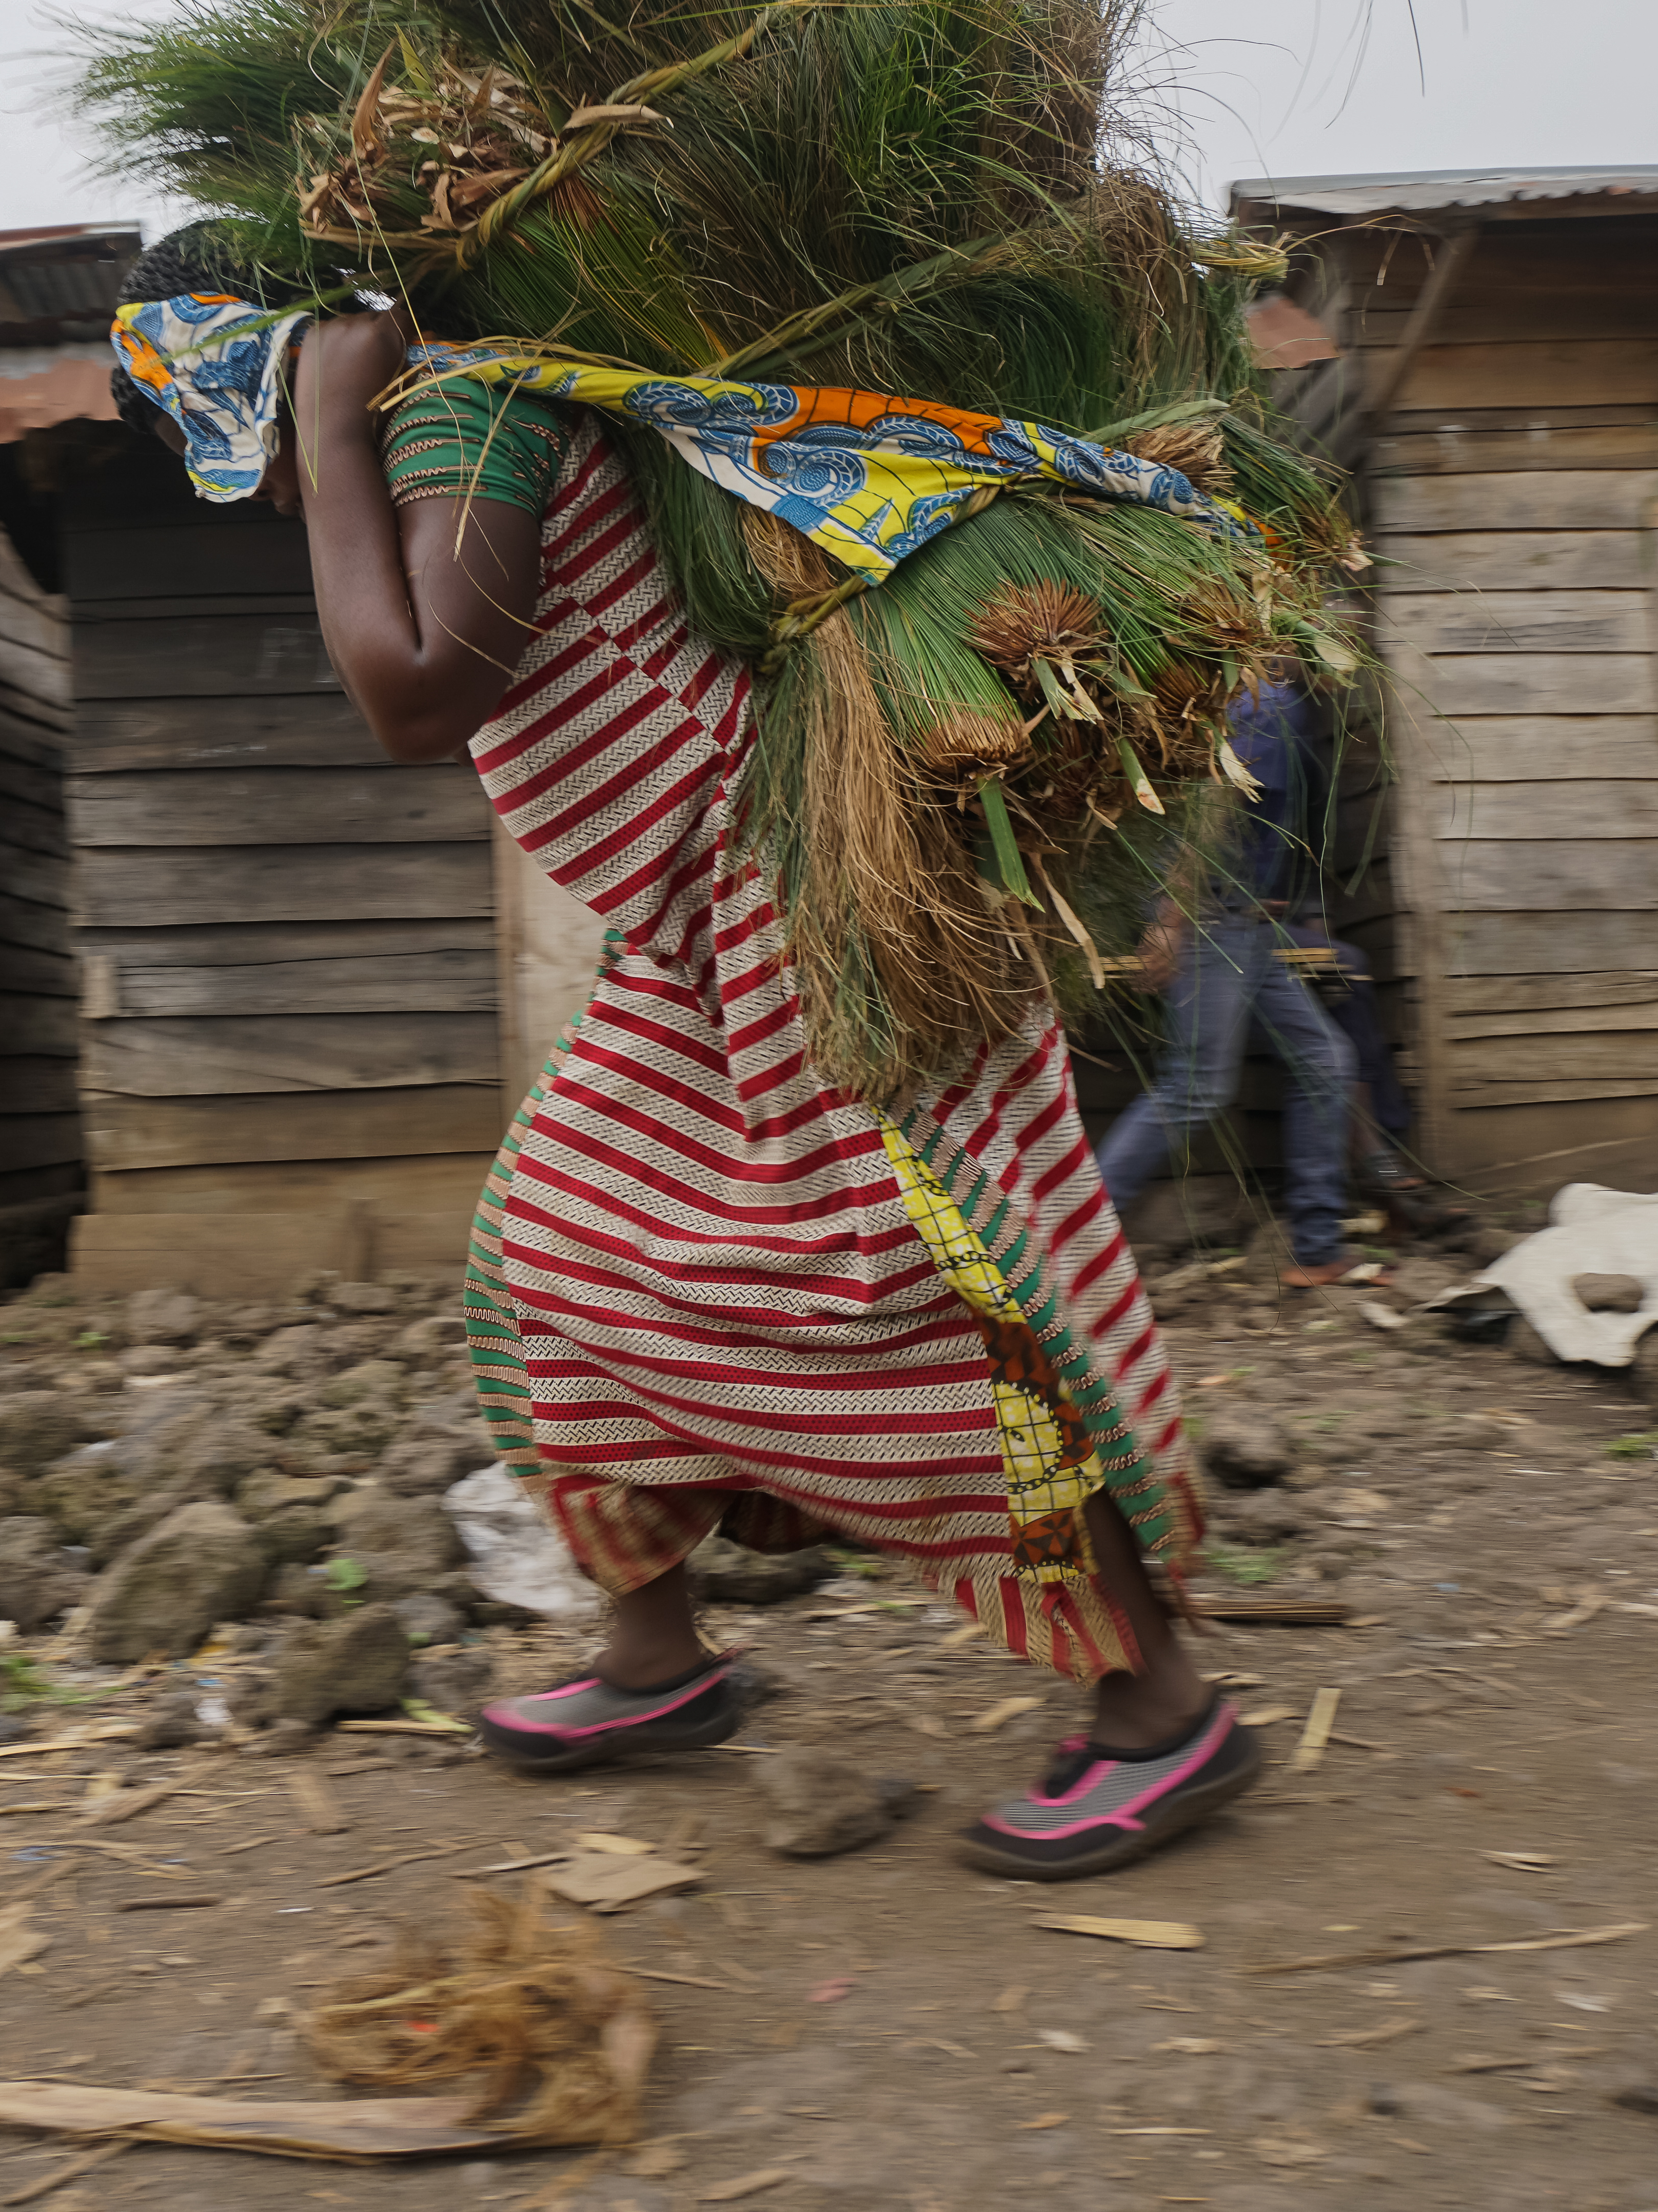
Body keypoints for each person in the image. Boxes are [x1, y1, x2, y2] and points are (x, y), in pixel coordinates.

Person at [109, 236, 1258, 1881]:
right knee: (549, 1248)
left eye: (240, 458)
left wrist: (338, 420)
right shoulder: (454, 417)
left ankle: (1160, 1704)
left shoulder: (455, 421)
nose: (269, 496)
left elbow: (418, 692)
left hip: (815, 894)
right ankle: (655, 1658)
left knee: (917, 1280)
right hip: (715, 934)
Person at [1093, 669, 1368, 1288]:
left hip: (1246, 924)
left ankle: (1318, 1247)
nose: (1348, 658)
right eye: (1341, 637)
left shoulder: (1276, 701)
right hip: (1211, 917)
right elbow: (1214, 809)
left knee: (1324, 1061)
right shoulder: (1265, 702)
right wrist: (1169, 921)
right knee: (1192, 1089)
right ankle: (1083, 1242)